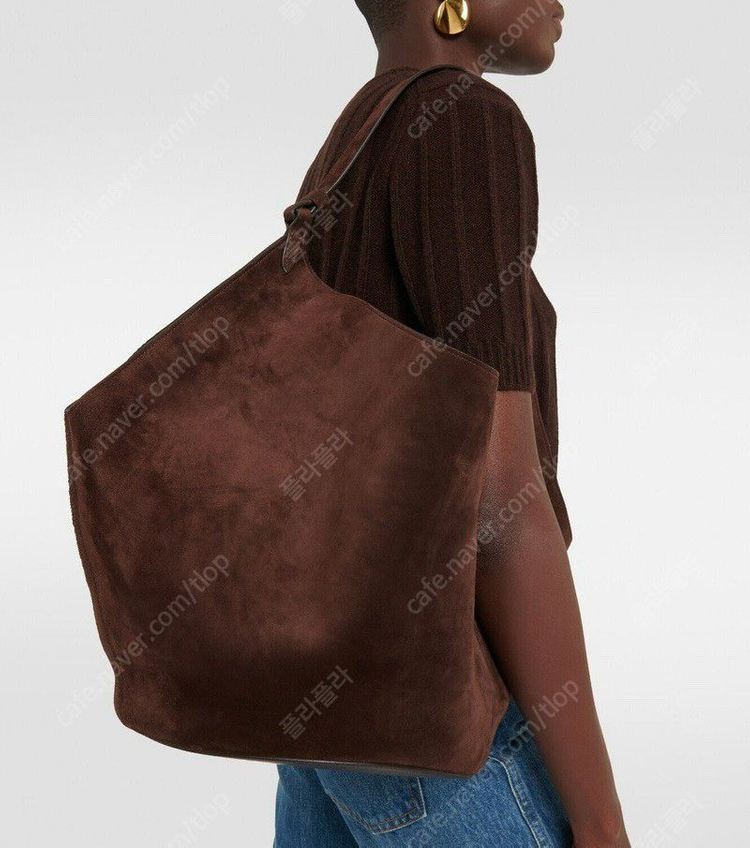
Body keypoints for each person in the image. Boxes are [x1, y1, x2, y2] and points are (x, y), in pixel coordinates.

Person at [275, 1, 630, 845]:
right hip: (433, 716)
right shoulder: (465, 123)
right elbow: (500, 505)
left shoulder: (354, 138)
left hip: (321, 706)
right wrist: (599, 818)